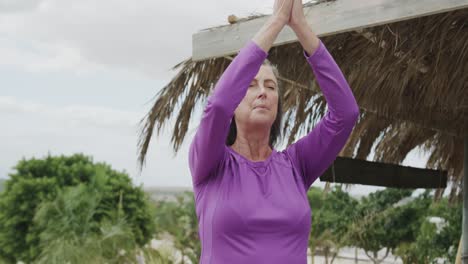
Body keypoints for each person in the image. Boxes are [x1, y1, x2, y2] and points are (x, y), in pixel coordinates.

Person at [188, 0, 360, 263]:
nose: (263, 93)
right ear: (235, 99)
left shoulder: (296, 165)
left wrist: (300, 26)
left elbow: (346, 114)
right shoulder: (211, 163)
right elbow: (218, 105)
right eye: (251, 85)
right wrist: (277, 21)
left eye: (271, 86)